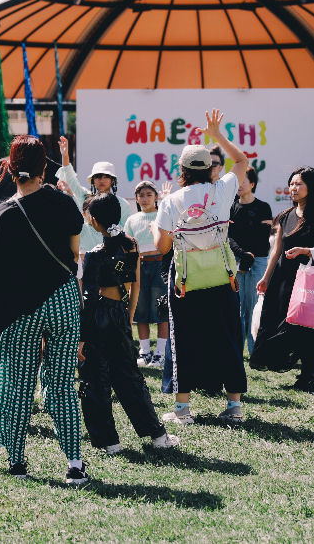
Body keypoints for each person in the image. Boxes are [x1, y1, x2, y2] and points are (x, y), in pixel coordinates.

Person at [0, 135, 88, 484]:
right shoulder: (63, 204)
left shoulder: (2, 214)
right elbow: (74, 254)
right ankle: (74, 464)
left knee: (18, 385)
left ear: (10, 168)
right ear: (45, 168)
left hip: (20, 308)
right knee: (60, 385)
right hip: (62, 301)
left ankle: (17, 462)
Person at [152, 110, 250, 424]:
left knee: (183, 339)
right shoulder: (222, 190)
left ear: (180, 170)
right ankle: (233, 407)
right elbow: (242, 161)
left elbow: (162, 247)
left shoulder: (172, 200)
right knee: (228, 336)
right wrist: (217, 134)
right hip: (222, 275)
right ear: (209, 168)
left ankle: (182, 411)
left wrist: (159, 215)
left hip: (185, 280)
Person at [79, 193, 179, 454]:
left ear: (94, 220)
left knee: (96, 381)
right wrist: (128, 318)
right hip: (120, 314)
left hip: (98, 316)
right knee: (130, 378)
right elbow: (133, 286)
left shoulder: (94, 254)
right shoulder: (131, 244)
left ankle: (109, 442)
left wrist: (81, 337)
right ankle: (157, 435)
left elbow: (88, 299)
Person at [249, 167, 314, 392]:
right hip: (283, 281)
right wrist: (266, 278)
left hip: (310, 283)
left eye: (299, 184)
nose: (294, 188)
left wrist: (306, 250)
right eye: (292, 183)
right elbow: (276, 250)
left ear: (311, 187)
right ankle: (302, 376)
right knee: (281, 325)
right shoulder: (285, 216)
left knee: (313, 330)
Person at [56, 135, 134, 265]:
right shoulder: (86, 198)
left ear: (112, 180)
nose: (102, 180)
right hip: (85, 257)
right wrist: (65, 155)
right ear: (92, 180)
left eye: (106, 176)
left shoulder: (122, 204)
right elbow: (70, 178)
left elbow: (127, 233)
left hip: (113, 259)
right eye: (98, 176)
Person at [229, 166, 273, 354]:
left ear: (252, 184)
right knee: (237, 310)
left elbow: (264, 236)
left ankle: (257, 351)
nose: (239, 185)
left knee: (256, 307)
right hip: (236, 261)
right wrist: (241, 254)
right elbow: (227, 236)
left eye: (243, 181)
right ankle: (237, 350)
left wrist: (250, 255)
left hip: (259, 261)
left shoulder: (263, 207)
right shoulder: (230, 206)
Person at [123, 180, 167, 367]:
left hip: (160, 265)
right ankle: (144, 352)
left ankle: (161, 353)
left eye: (149, 194)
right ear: (136, 198)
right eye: (141, 195)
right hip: (140, 266)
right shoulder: (132, 220)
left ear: (156, 197)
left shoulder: (162, 216)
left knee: (161, 309)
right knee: (140, 309)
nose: (145, 198)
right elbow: (126, 246)